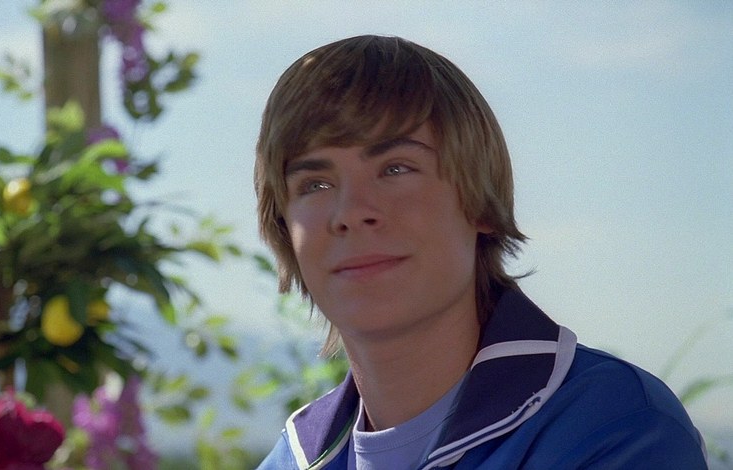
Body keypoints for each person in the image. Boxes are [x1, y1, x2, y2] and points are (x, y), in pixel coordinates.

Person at [254, 35, 707, 469]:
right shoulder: (290, 460)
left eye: (396, 169)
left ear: (480, 203)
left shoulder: (613, 428)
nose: (351, 212)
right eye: (315, 184)